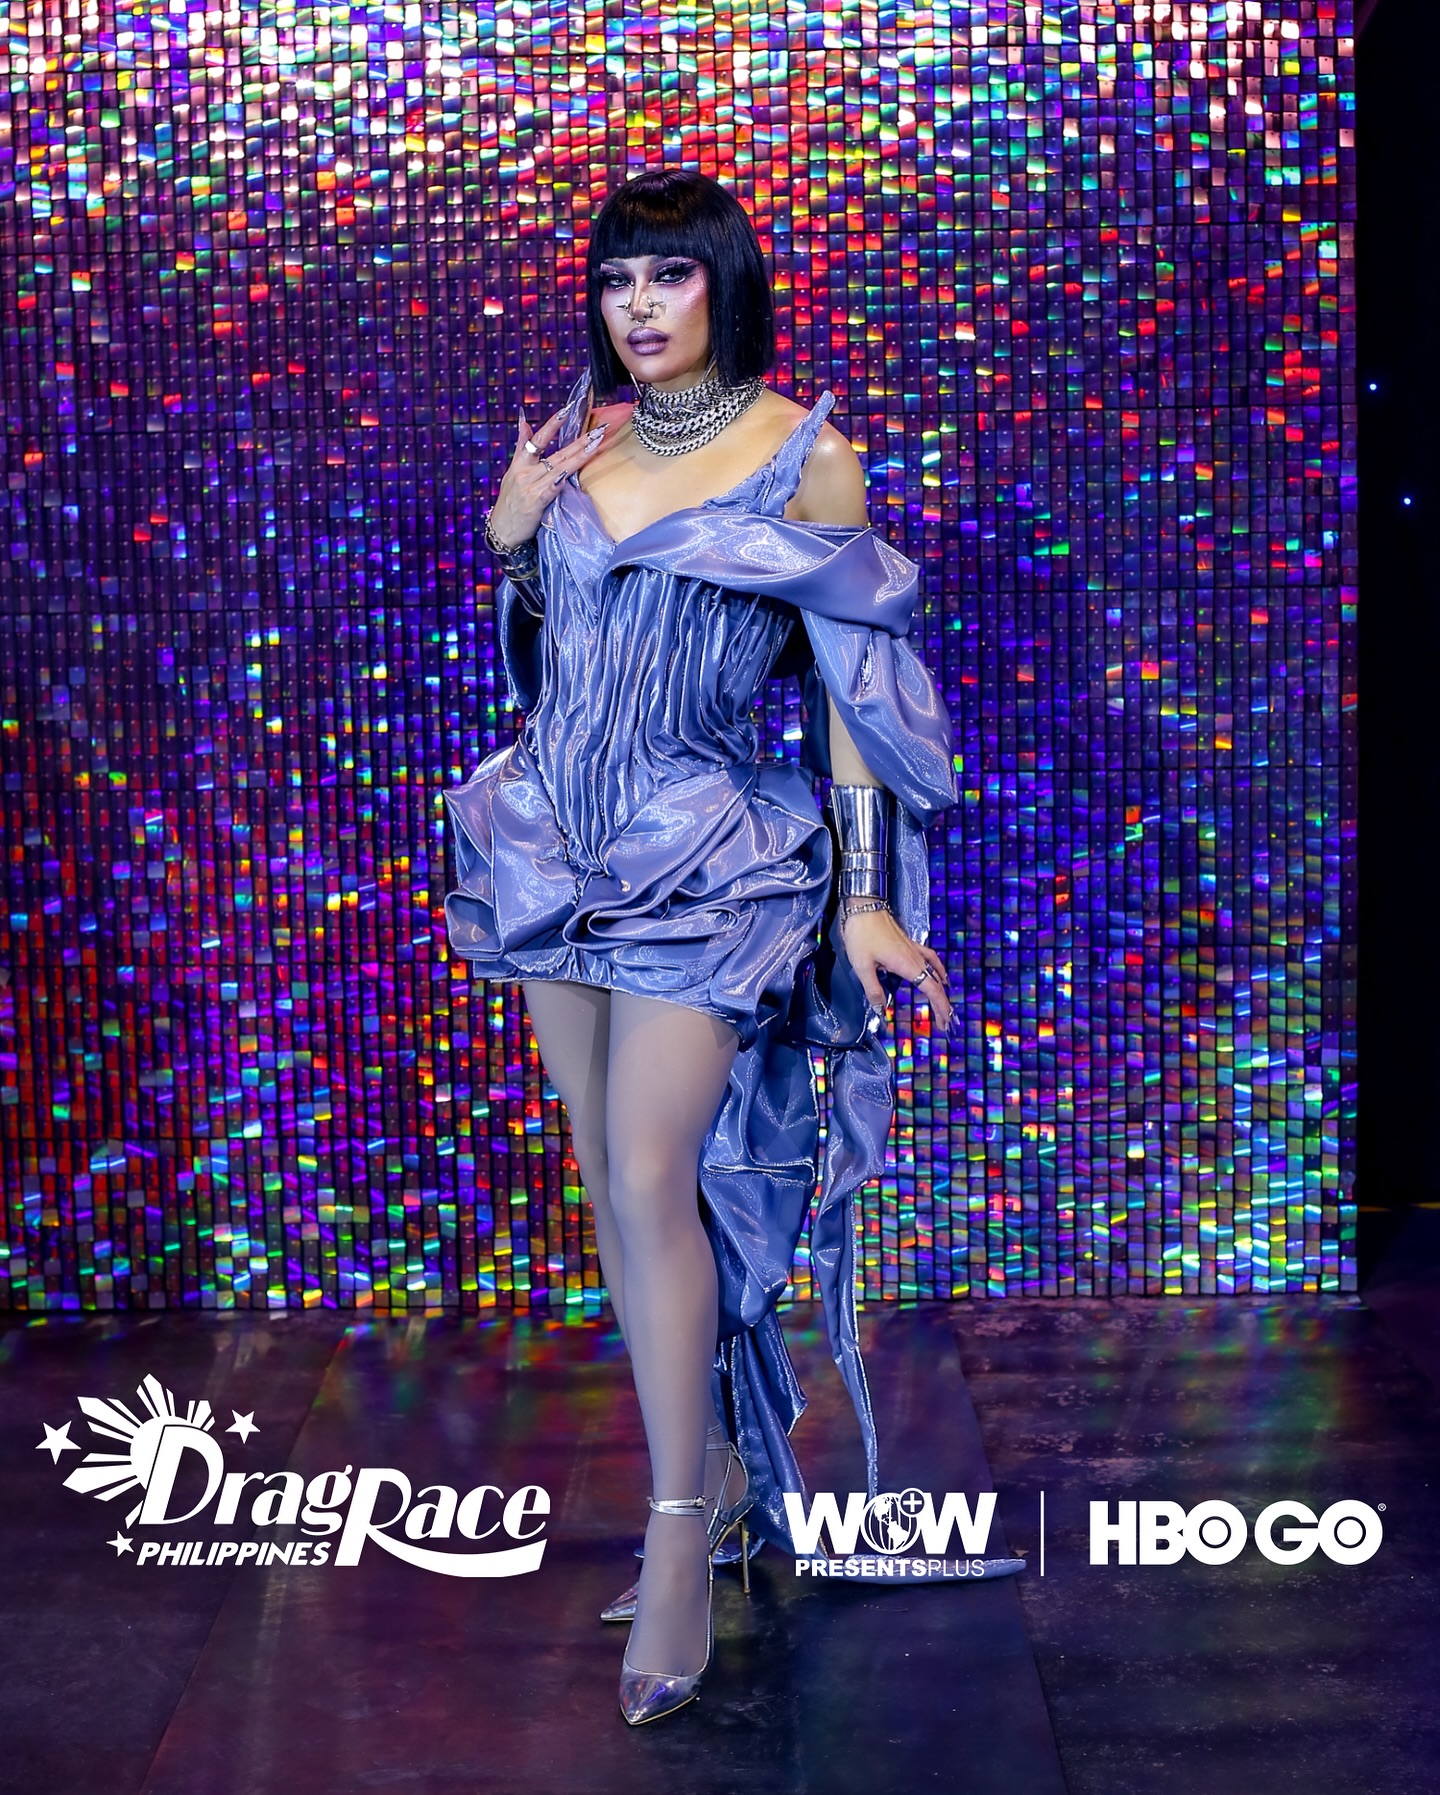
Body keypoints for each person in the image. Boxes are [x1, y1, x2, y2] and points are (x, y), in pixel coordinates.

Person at [445, 168, 956, 1726]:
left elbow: (856, 692)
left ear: (726, 285)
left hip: (706, 857)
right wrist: (513, 537)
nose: (640, 306)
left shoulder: (809, 455)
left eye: (668, 276)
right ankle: (719, 1478)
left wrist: (862, 897)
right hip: (548, 841)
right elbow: (567, 645)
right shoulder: (578, 440)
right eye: (617, 281)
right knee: (614, 1185)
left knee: (655, 1169)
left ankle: (677, 1534)